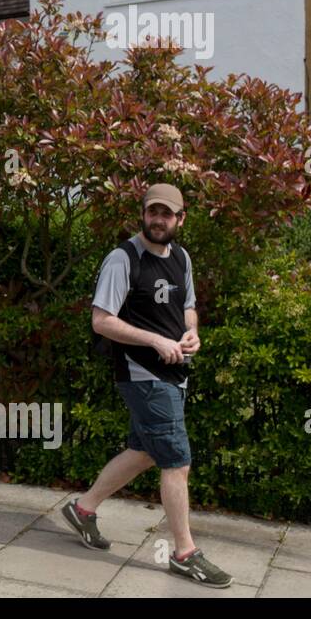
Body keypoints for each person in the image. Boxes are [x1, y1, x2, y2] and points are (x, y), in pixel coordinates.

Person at [64, 183, 232, 588]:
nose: (159, 219)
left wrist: (192, 334)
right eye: (152, 211)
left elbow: (187, 308)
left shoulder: (182, 258)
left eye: (167, 213)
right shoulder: (124, 259)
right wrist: (155, 340)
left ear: (180, 218)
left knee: (143, 452)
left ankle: (83, 509)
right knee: (177, 461)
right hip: (143, 375)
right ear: (142, 214)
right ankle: (185, 553)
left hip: (176, 374)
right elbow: (101, 320)